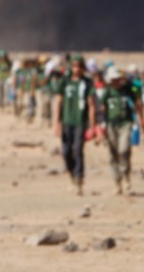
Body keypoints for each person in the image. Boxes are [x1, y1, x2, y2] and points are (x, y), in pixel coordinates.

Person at [54, 54, 96, 196]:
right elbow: (59, 102)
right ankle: (72, 174)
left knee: (78, 150)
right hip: (66, 122)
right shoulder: (64, 82)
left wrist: (92, 126)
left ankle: (79, 180)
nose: (76, 69)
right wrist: (56, 123)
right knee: (66, 152)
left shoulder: (87, 83)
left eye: (79, 66)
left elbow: (91, 105)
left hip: (80, 122)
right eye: (74, 66)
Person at [100, 67, 139, 195]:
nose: (116, 81)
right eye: (114, 79)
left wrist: (128, 80)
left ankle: (127, 179)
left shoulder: (127, 90)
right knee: (113, 154)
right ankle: (117, 183)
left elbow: (136, 94)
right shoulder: (107, 92)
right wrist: (102, 125)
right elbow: (102, 108)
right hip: (111, 125)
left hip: (125, 124)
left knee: (123, 151)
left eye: (118, 79)